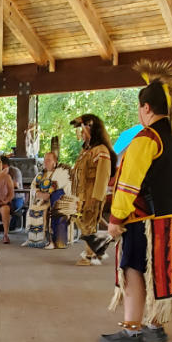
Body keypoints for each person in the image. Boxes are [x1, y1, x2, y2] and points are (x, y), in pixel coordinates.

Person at [101, 60, 172, 342]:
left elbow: (129, 184)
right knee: (161, 270)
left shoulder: (147, 139)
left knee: (133, 269)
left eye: (140, 109)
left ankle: (132, 330)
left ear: (146, 108)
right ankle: (156, 324)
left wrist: (116, 218)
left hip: (143, 220)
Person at [69, 114, 115, 266]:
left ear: (90, 129)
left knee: (88, 222)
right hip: (81, 193)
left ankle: (90, 255)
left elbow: (103, 175)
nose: (81, 134)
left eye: (82, 130)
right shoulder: (87, 151)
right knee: (81, 220)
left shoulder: (100, 150)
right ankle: (98, 247)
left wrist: (97, 197)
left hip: (92, 193)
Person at [23, 152, 71, 248]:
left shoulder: (61, 172)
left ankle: (51, 240)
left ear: (55, 161)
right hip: (40, 201)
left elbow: (64, 187)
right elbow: (33, 186)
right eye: (45, 160)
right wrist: (37, 193)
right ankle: (33, 239)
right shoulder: (41, 174)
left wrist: (49, 194)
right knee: (32, 209)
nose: (46, 162)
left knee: (47, 211)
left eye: (49, 160)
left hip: (55, 201)